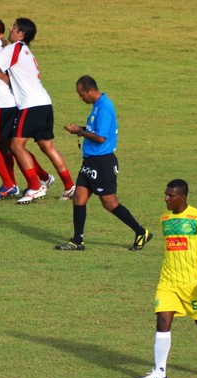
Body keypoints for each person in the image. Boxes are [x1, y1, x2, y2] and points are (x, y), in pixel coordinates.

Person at [0, 17, 75, 204]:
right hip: (44, 102)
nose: (11, 29)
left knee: (16, 146)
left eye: (14, 28)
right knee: (47, 146)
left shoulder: (13, 48)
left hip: (30, 105)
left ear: (21, 34)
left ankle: (35, 187)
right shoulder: (26, 51)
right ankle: (69, 186)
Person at [137, 179, 197, 378]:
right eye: (165, 195)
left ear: (182, 198)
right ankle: (160, 373)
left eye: (170, 196)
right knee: (162, 321)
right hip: (168, 281)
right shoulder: (165, 219)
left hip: (193, 284)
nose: (166, 199)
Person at [55, 75, 152, 251]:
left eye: (82, 94)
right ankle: (77, 240)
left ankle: (140, 231)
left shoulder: (105, 108)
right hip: (90, 161)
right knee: (78, 198)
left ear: (91, 91)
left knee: (109, 202)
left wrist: (79, 131)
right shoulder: (97, 106)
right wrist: (80, 129)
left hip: (102, 162)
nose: (80, 98)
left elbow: (100, 137)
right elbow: (95, 131)